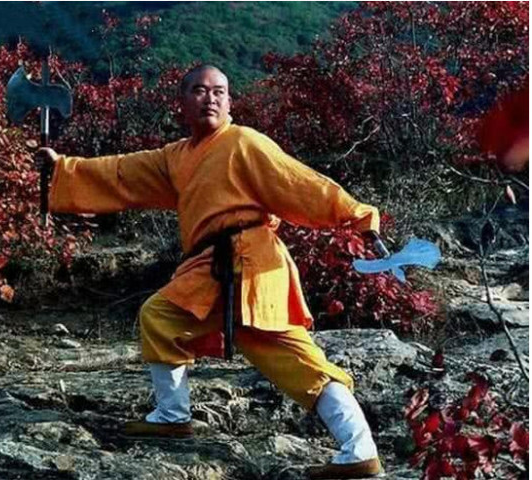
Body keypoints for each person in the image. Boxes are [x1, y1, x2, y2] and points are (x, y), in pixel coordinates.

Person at [38, 65, 384, 479]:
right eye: (200, 91)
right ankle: (172, 416)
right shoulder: (176, 157)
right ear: (182, 102)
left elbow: (301, 183)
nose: (210, 99)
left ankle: (360, 450)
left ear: (230, 101)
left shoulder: (244, 143)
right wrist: (63, 168)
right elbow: (121, 172)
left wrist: (358, 216)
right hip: (209, 267)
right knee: (161, 317)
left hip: (252, 262)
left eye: (219, 91)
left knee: (298, 359)